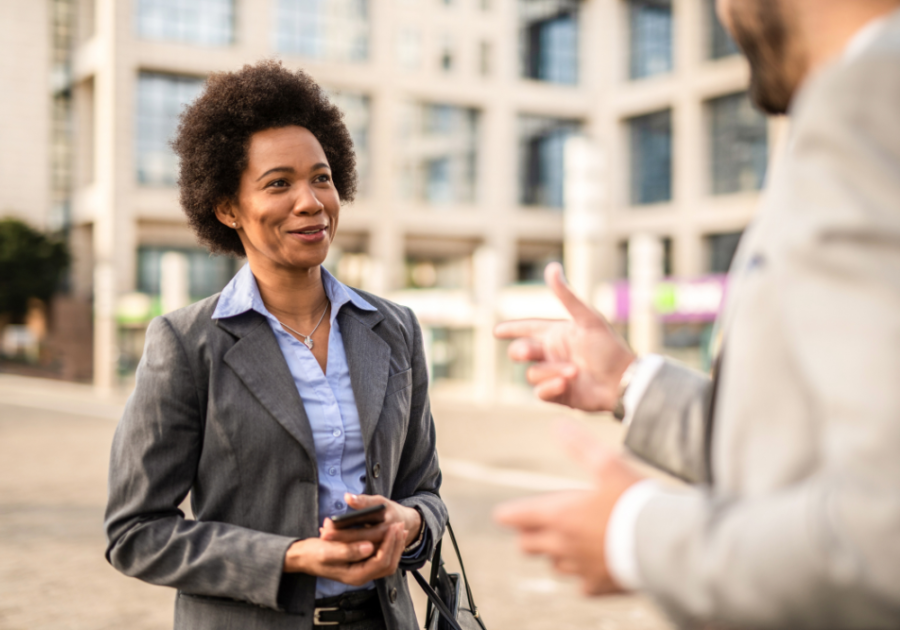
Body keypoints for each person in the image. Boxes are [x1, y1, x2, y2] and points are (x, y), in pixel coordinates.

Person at [493, 0, 900, 626]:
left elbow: (884, 527)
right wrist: (630, 381)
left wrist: (637, 536)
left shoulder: (867, 103)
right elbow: (813, 454)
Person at [104, 61, 447, 630]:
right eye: (278, 183)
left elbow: (425, 492)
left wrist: (408, 525)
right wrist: (290, 558)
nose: (311, 201)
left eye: (322, 177)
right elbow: (135, 533)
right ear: (227, 208)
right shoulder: (187, 345)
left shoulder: (393, 330)